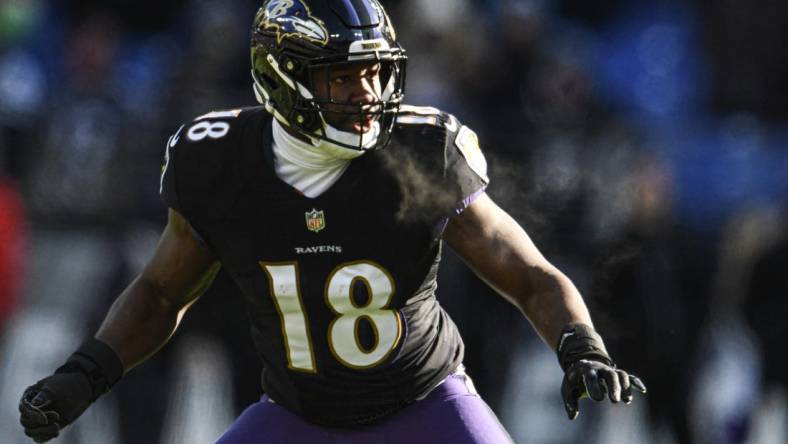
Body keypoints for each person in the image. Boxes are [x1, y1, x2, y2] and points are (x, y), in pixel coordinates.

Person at [18, 1, 646, 442]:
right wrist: (87, 374)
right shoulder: (220, 161)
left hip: (424, 404)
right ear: (281, 78)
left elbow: (527, 273)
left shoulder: (420, 152)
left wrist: (580, 345)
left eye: (374, 71)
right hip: (296, 416)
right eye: (342, 76)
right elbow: (161, 293)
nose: (366, 91)